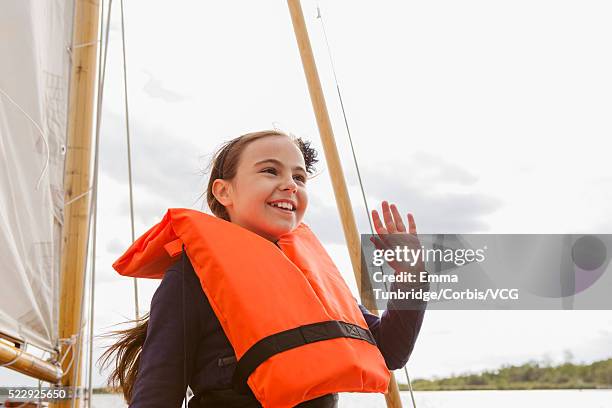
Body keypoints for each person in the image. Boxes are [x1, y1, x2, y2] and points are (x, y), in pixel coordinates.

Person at [99, 130, 427, 407]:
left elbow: (390, 352)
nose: (290, 185)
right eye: (270, 171)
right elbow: (156, 395)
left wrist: (409, 276)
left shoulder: (312, 276)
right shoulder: (190, 278)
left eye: (299, 177)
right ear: (223, 191)